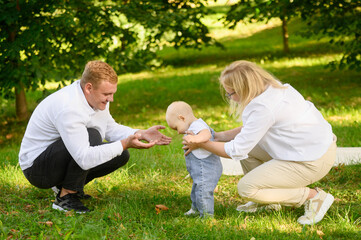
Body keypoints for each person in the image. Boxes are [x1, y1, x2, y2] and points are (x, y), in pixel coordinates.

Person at [183, 60, 337, 225]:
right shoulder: (271, 89)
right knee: (250, 151)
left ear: (244, 88)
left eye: (231, 94)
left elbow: (236, 150)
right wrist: (218, 136)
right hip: (308, 149)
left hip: (311, 161)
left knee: (246, 189)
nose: (231, 98)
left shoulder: (264, 107)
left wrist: (201, 144)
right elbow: (251, 129)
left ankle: (314, 197)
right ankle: (269, 201)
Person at [19, 60, 172, 213]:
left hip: (57, 157)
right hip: (37, 168)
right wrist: (124, 143)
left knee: (120, 154)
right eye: (106, 94)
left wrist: (141, 133)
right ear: (89, 88)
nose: (111, 99)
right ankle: (66, 198)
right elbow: (84, 158)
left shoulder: (95, 99)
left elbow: (109, 128)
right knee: (93, 136)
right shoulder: (69, 107)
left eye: (112, 93)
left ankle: (66, 186)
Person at [166, 101, 222, 218]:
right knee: (197, 189)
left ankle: (207, 215)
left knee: (203, 192)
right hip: (200, 168)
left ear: (182, 118)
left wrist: (195, 139)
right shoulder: (193, 126)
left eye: (176, 127)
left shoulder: (198, 125)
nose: (178, 132)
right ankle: (195, 208)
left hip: (206, 168)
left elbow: (206, 134)